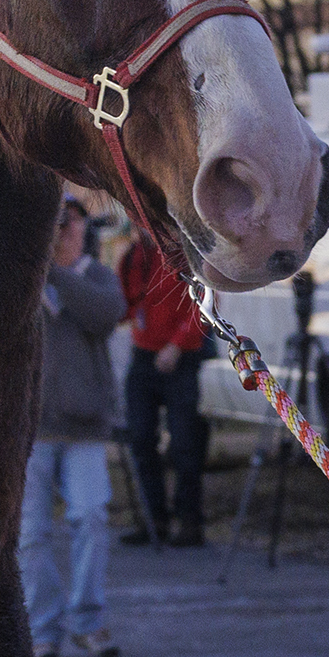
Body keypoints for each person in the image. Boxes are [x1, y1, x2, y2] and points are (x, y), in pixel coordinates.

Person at [25, 195, 129, 657]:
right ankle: (41, 631)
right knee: (30, 535)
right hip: (32, 430)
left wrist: (55, 269)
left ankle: (88, 621)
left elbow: (104, 316)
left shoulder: (96, 275)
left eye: (74, 223)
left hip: (85, 427)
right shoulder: (24, 278)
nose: (67, 231)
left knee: (89, 519)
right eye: (59, 223)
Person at [116, 212, 212, 548]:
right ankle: (152, 519)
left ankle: (190, 521)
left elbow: (202, 304)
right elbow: (125, 304)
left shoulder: (183, 252)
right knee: (140, 439)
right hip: (143, 357)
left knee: (185, 443)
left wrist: (177, 344)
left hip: (180, 358)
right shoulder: (132, 257)